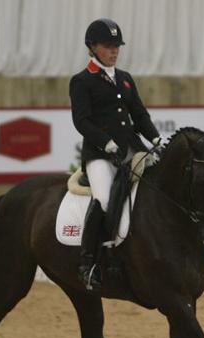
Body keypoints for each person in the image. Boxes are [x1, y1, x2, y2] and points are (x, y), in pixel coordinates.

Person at [69, 18, 162, 290]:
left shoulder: (125, 79)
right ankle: (88, 264)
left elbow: (139, 114)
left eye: (116, 46)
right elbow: (82, 121)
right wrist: (105, 142)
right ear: (93, 47)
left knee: (155, 190)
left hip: (132, 148)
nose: (114, 51)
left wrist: (155, 137)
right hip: (100, 154)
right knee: (104, 199)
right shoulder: (82, 81)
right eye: (108, 46)